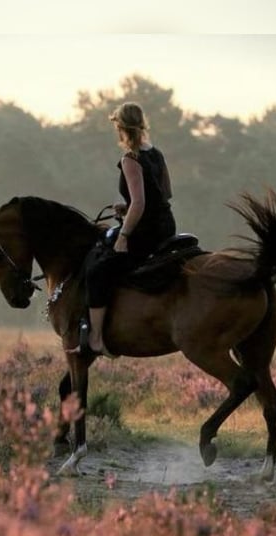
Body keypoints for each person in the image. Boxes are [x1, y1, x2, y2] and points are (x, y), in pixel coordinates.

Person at [68, 101, 177, 357]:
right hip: (166, 225)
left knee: (97, 269)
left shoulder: (131, 158)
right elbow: (165, 194)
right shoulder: (156, 153)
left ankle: (95, 338)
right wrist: (126, 206)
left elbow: (140, 203)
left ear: (121, 127)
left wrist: (124, 236)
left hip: (145, 230)